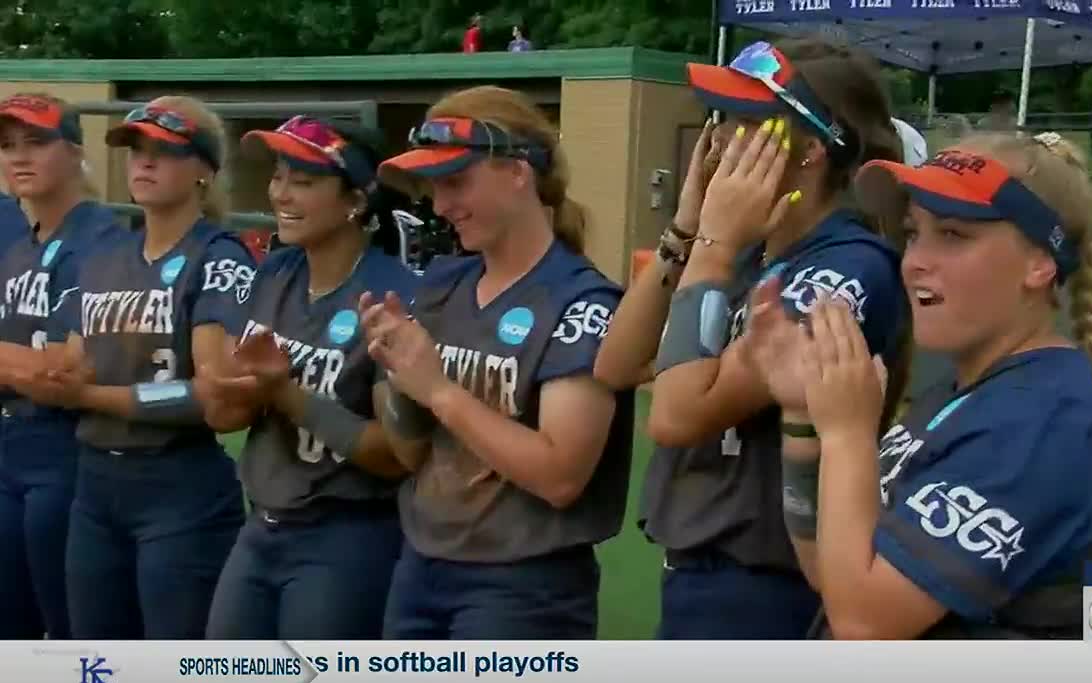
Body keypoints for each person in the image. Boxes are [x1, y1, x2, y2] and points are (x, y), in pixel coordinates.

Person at [746, 131, 1092, 639]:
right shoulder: (965, 394)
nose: (914, 261)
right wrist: (801, 420)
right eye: (913, 232)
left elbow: (863, 623)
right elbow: (831, 571)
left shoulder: (1040, 418)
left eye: (952, 235)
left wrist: (847, 435)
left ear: (1039, 263)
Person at [595, 39, 913, 639]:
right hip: (702, 571)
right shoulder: (744, 252)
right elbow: (616, 364)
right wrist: (689, 228)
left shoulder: (848, 266)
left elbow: (676, 415)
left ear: (811, 150)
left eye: (747, 124)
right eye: (723, 120)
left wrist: (713, 246)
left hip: (770, 584)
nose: (720, 143)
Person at [363, 86, 632, 640]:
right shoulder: (443, 285)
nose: (440, 205)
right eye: (435, 186)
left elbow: (560, 475)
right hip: (419, 564)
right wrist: (396, 377)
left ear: (518, 173)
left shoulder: (583, 302)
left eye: (456, 181)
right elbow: (412, 452)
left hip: (524, 586)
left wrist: (438, 390)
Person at [31, 97, 256, 639]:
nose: (144, 163)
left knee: (172, 677)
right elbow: (71, 360)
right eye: (136, 150)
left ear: (204, 168)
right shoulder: (105, 255)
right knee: (99, 675)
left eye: (164, 151)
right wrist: (61, 377)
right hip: (96, 486)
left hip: (178, 489)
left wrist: (93, 397)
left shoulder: (219, 256)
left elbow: (211, 393)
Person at [198, 118, 419, 640]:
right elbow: (224, 413)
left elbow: (395, 454)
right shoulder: (276, 272)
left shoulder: (394, 296)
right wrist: (225, 390)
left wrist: (284, 392)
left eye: (304, 180)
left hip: (348, 535)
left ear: (356, 201)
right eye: (279, 175)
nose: (281, 193)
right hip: (263, 523)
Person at [0, 94, 128, 640]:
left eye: (36, 143)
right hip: (10, 450)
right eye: (7, 146)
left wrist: (24, 368)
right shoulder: (22, 245)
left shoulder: (101, 238)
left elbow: (59, 373)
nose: (18, 157)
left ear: (76, 153)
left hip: (67, 453)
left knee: (72, 641)